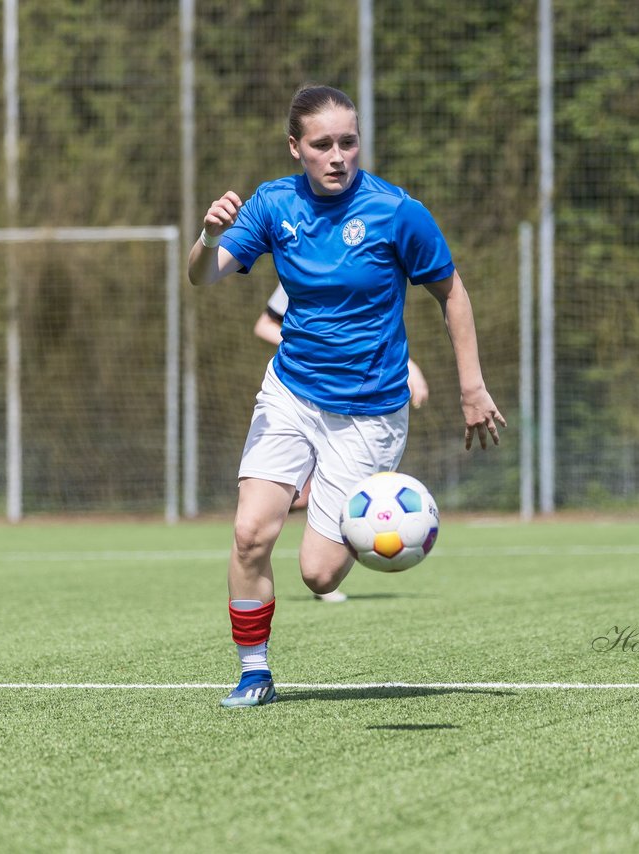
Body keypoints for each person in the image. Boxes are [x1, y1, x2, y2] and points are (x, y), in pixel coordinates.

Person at [189, 84, 505, 706]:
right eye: (322, 144)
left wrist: (473, 386)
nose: (338, 156)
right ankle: (254, 671)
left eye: (348, 142)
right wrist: (205, 236)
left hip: (369, 411)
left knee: (319, 572)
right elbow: (204, 277)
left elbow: (453, 294)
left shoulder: (396, 211)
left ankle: (389, 506)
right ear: (295, 148)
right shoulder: (272, 203)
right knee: (251, 534)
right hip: (290, 392)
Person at [253, 282, 432, 604]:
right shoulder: (298, 256)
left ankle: (323, 543)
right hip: (298, 393)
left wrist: (407, 364)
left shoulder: (374, 259)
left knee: (319, 562)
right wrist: (313, 350)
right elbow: (266, 323)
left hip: (357, 404)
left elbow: (374, 335)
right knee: (260, 520)